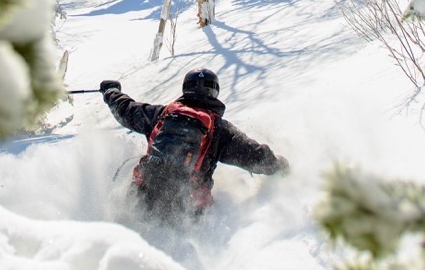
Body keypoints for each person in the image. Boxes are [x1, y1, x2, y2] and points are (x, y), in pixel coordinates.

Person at [100, 68, 289, 220]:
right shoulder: (219, 129)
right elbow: (254, 155)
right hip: (186, 209)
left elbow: (125, 110)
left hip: (141, 198)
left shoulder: (162, 115)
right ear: (214, 92)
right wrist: (280, 166)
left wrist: (111, 91)